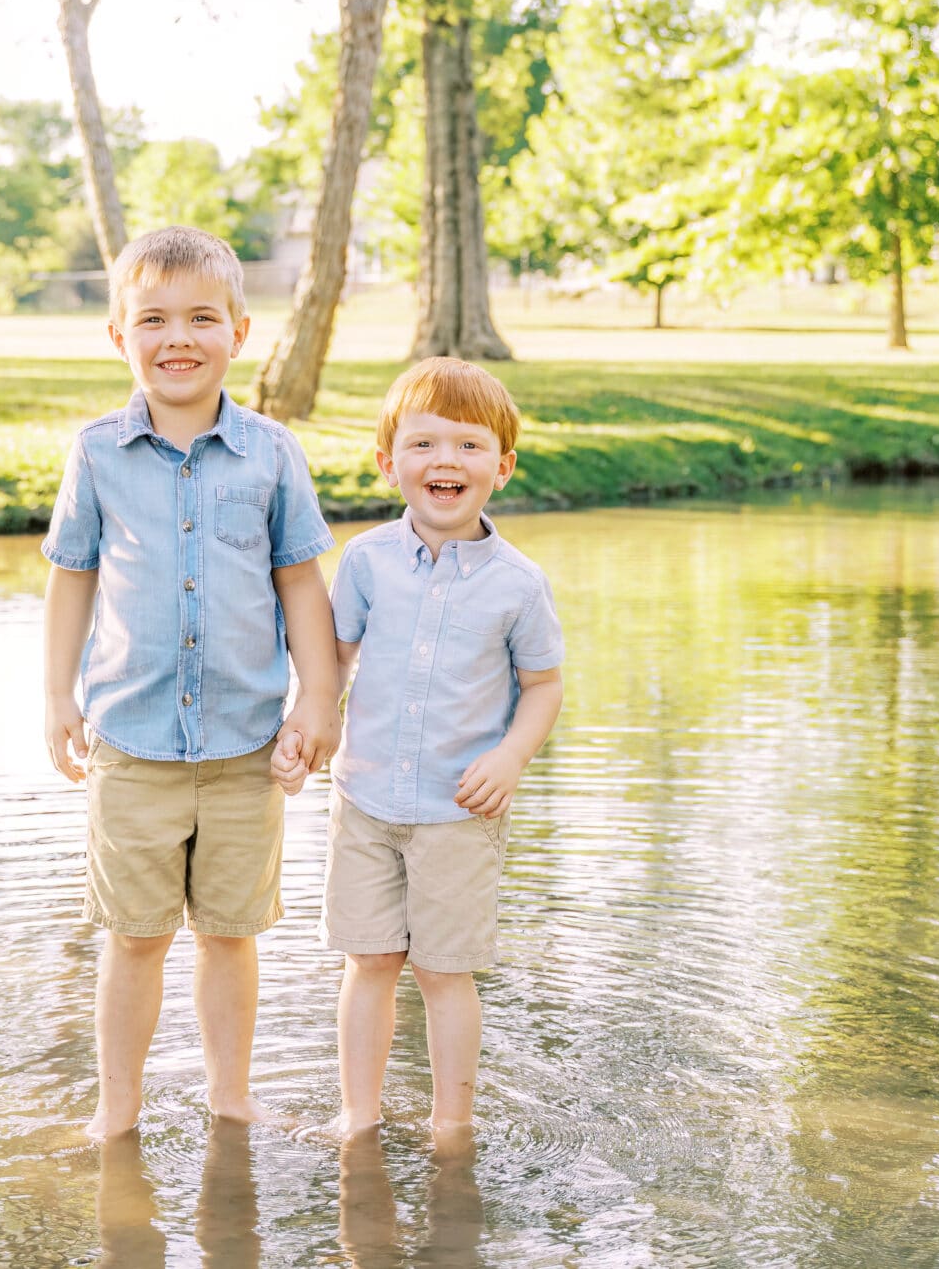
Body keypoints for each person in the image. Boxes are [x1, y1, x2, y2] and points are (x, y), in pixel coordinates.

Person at [41, 225, 343, 1140]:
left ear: (240, 333)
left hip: (247, 745)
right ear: (119, 335)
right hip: (131, 744)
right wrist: (56, 694)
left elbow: (299, 580)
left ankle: (229, 1095)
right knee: (133, 936)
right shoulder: (97, 453)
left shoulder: (271, 454)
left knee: (228, 933)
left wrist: (317, 699)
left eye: (202, 318)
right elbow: (72, 575)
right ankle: (117, 1107)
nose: (179, 337)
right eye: (155, 319)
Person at [278, 357, 565, 1142]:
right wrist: (307, 730)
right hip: (364, 800)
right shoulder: (367, 561)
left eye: (469, 446)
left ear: (502, 467)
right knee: (368, 960)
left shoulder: (518, 583)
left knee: (443, 970)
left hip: (456, 812)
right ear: (389, 460)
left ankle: (452, 1122)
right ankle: (358, 1114)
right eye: (425, 443)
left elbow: (543, 686)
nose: (446, 461)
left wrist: (509, 757)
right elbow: (330, 665)